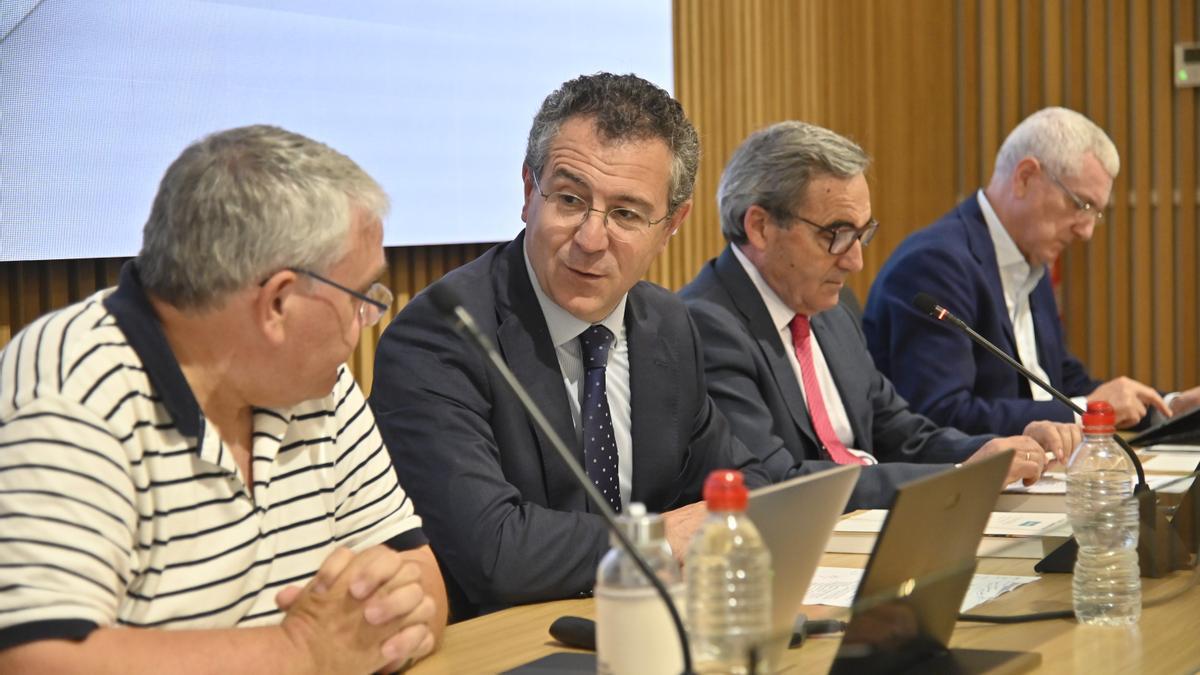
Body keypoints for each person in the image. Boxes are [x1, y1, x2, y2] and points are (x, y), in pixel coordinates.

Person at [0, 125, 447, 673]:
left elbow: (420, 579)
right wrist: (301, 653)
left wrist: (379, 618)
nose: (365, 323)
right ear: (278, 303)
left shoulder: (319, 385)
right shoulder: (72, 386)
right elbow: (35, 659)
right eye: (359, 298)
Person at [370, 73, 770, 619]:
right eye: (569, 199)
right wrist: (654, 539)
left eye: (627, 214)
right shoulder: (442, 336)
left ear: (673, 224)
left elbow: (745, 482)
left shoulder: (667, 325)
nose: (590, 238)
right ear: (528, 192)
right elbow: (495, 551)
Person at [681, 121, 1080, 509]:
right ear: (760, 227)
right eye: (836, 235)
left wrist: (993, 452)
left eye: (861, 234)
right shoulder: (706, 325)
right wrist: (957, 476)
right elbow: (775, 484)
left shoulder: (831, 310)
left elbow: (902, 433)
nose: (855, 261)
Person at [863, 107, 1200, 434]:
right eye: (1080, 205)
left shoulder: (1030, 256)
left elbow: (1059, 384)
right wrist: (1082, 412)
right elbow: (940, 414)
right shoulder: (936, 264)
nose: (1086, 231)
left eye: (1094, 213)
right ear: (1025, 177)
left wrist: (1167, 409)